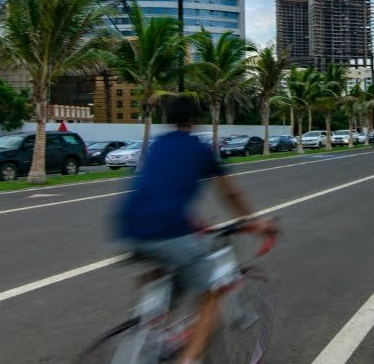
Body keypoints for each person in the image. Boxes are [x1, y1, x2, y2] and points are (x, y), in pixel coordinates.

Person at [117, 106, 277, 364]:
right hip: (169, 230)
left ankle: (153, 329)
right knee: (214, 292)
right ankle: (188, 358)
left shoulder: (157, 145)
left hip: (129, 228)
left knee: (163, 275)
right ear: (195, 121)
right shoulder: (200, 149)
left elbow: (158, 190)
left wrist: (191, 222)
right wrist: (255, 222)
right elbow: (230, 194)